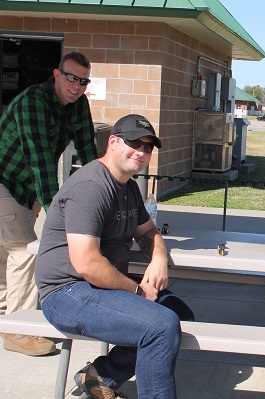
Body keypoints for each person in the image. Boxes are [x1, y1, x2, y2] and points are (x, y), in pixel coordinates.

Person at [34, 114, 194, 399]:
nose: (141, 152)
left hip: (98, 288)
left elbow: (149, 232)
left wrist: (158, 256)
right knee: (160, 326)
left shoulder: (129, 187)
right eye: (135, 143)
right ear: (113, 141)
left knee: (180, 313)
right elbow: (87, 264)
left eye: (148, 147)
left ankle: (100, 377)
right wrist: (137, 290)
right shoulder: (91, 187)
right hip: (66, 292)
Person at [0, 52, 97, 356]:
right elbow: (40, 160)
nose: (76, 85)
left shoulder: (78, 104)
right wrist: (61, 211)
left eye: (83, 81)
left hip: (25, 189)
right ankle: (18, 329)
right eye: (71, 77)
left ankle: (7, 310)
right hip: (5, 181)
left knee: (7, 252)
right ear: (56, 74)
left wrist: (104, 191)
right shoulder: (33, 102)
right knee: (24, 250)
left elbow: (88, 149)